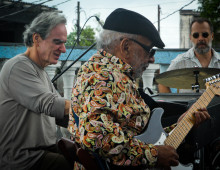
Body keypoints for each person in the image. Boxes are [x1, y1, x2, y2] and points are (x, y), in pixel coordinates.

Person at [68, 8, 210, 169]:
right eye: (149, 50)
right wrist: (153, 155)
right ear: (126, 46)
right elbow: (96, 137)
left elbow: (136, 138)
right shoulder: (104, 77)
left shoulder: (112, 73)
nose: (152, 58)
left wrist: (181, 126)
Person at [0, 12, 72, 170]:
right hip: (22, 158)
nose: (64, 49)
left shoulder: (41, 71)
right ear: (37, 39)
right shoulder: (17, 66)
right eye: (57, 42)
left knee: (83, 155)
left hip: (43, 150)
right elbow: (50, 104)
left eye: (64, 43)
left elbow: (60, 114)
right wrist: (89, 107)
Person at [158, 18, 220, 93]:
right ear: (190, 37)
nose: (200, 38)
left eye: (205, 34)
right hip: (188, 104)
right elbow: (162, 83)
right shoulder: (180, 61)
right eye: (196, 35)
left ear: (212, 36)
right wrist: (173, 104)